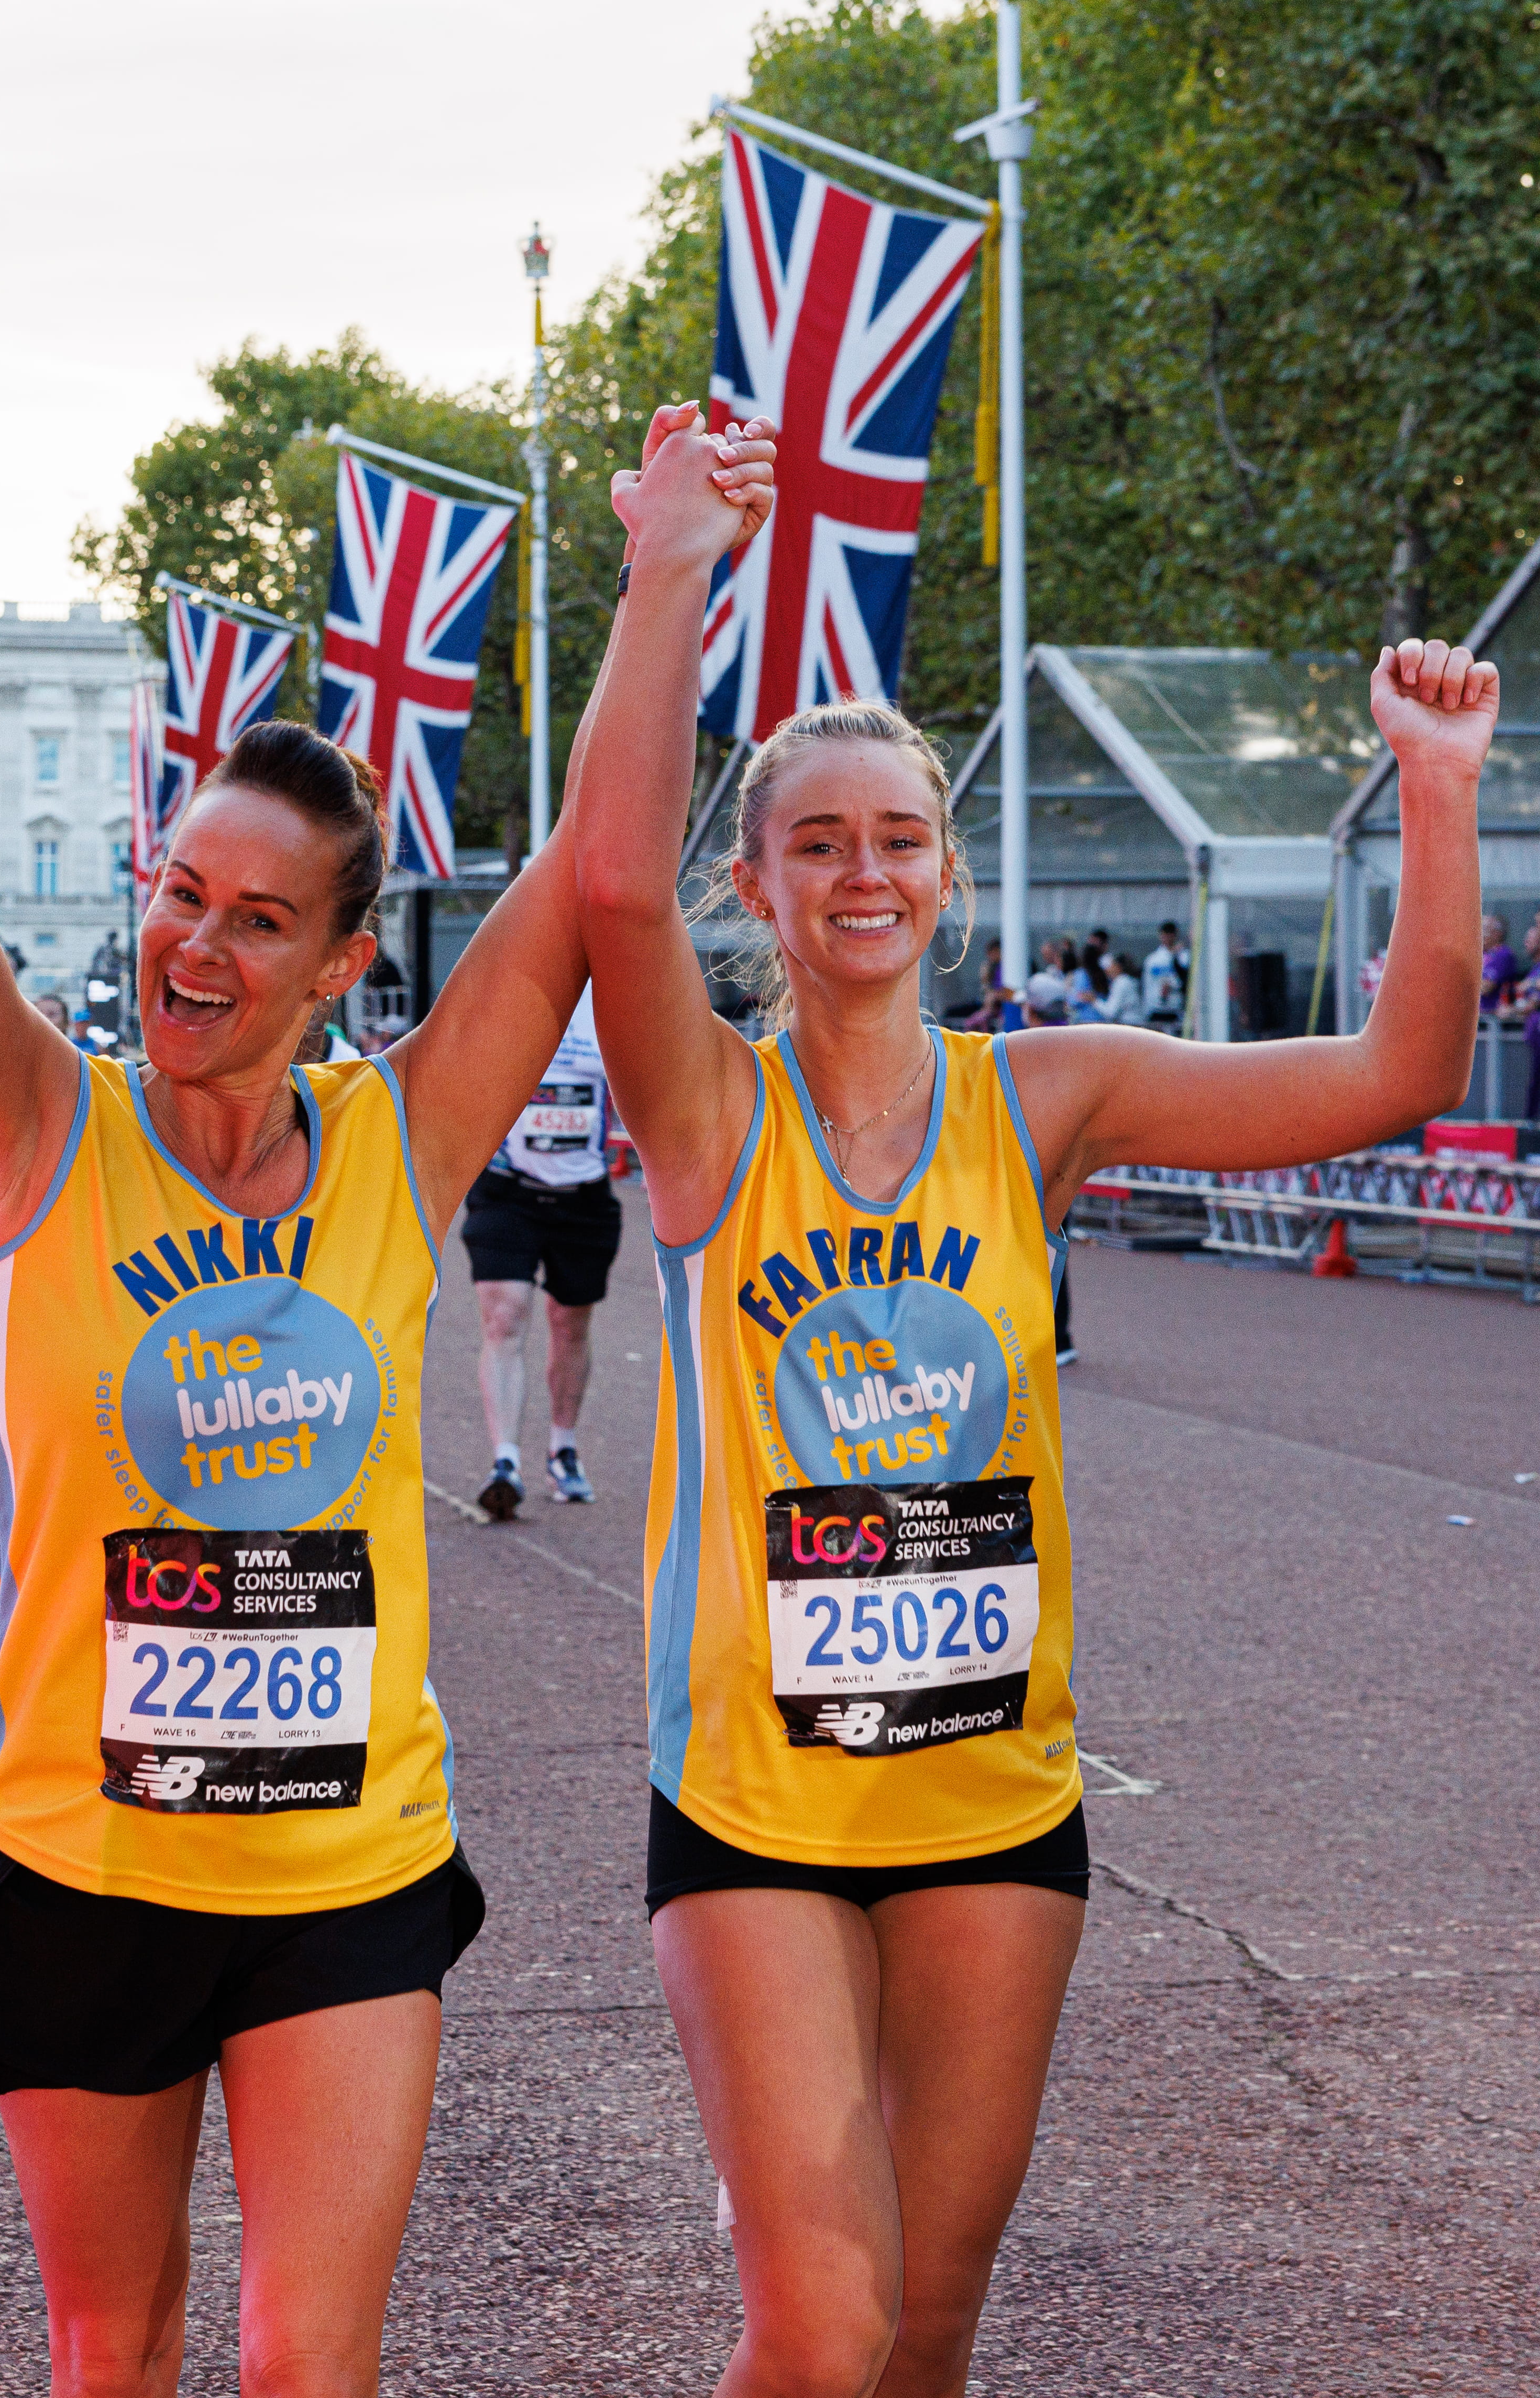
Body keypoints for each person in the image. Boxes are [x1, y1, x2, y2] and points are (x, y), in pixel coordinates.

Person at [0, 292, 771, 2396]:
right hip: (83, 1857)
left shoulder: (397, 1147)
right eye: (173, 887)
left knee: (312, 2367)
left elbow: (605, 879)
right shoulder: (38, 1121)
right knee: (106, 2349)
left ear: (337, 959)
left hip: (347, 1862)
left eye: (251, 915)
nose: (189, 941)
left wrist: (664, 574)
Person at [572, 414, 1493, 2398]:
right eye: (817, 842)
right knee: (814, 2331)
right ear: (760, 879)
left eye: (897, 837)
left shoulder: (1043, 1095)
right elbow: (610, 896)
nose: (864, 873)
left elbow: (1402, 1071)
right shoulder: (713, 1111)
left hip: (996, 1790)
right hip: (760, 1799)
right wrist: (671, 576)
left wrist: (1435, 788)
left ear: (948, 871)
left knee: (926, 2332)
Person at [463, 983, 620, 1515]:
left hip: (584, 1197)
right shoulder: (509, 985)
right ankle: (504, 1460)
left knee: (569, 1322)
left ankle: (563, 1448)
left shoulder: (611, 998)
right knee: (505, 1315)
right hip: (508, 1192)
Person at [1142, 919, 1189, 1028]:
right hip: (1156, 1010)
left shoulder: (1185, 958)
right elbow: (1147, 986)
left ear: (1175, 935)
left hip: (1177, 1010)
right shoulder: (1153, 960)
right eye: (1165, 935)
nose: (1168, 938)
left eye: (1170, 934)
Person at [1480, 912, 1521, 1012]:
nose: (1480, 934)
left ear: (1497, 934)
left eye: (1485, 930)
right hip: (1478, 1015)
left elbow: (1486, 988)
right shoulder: (1483, 954)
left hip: (1493, 1018)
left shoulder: (1503, 955)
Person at [1095, 951, 1146, 1026]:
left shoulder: (1121, 982)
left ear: (1117, 966)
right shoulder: (1130, 981)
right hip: (1137, 1023)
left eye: (1111, 966)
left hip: (1129, 1026)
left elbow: (1111, 1012)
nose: (1108, 971)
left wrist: (1094, 1000)